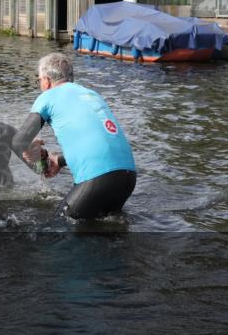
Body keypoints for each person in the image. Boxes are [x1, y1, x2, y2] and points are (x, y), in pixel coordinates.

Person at [12, 53, 137, 220]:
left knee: (60, 229)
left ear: (47, 81)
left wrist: (38, 162)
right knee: (107, 232)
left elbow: (18, 142)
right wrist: (59, 160)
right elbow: (97, 144)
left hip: (98, 177)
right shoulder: (92, 94)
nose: (40, 85)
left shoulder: (47, 97)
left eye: (39, 81)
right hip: (127, 176)